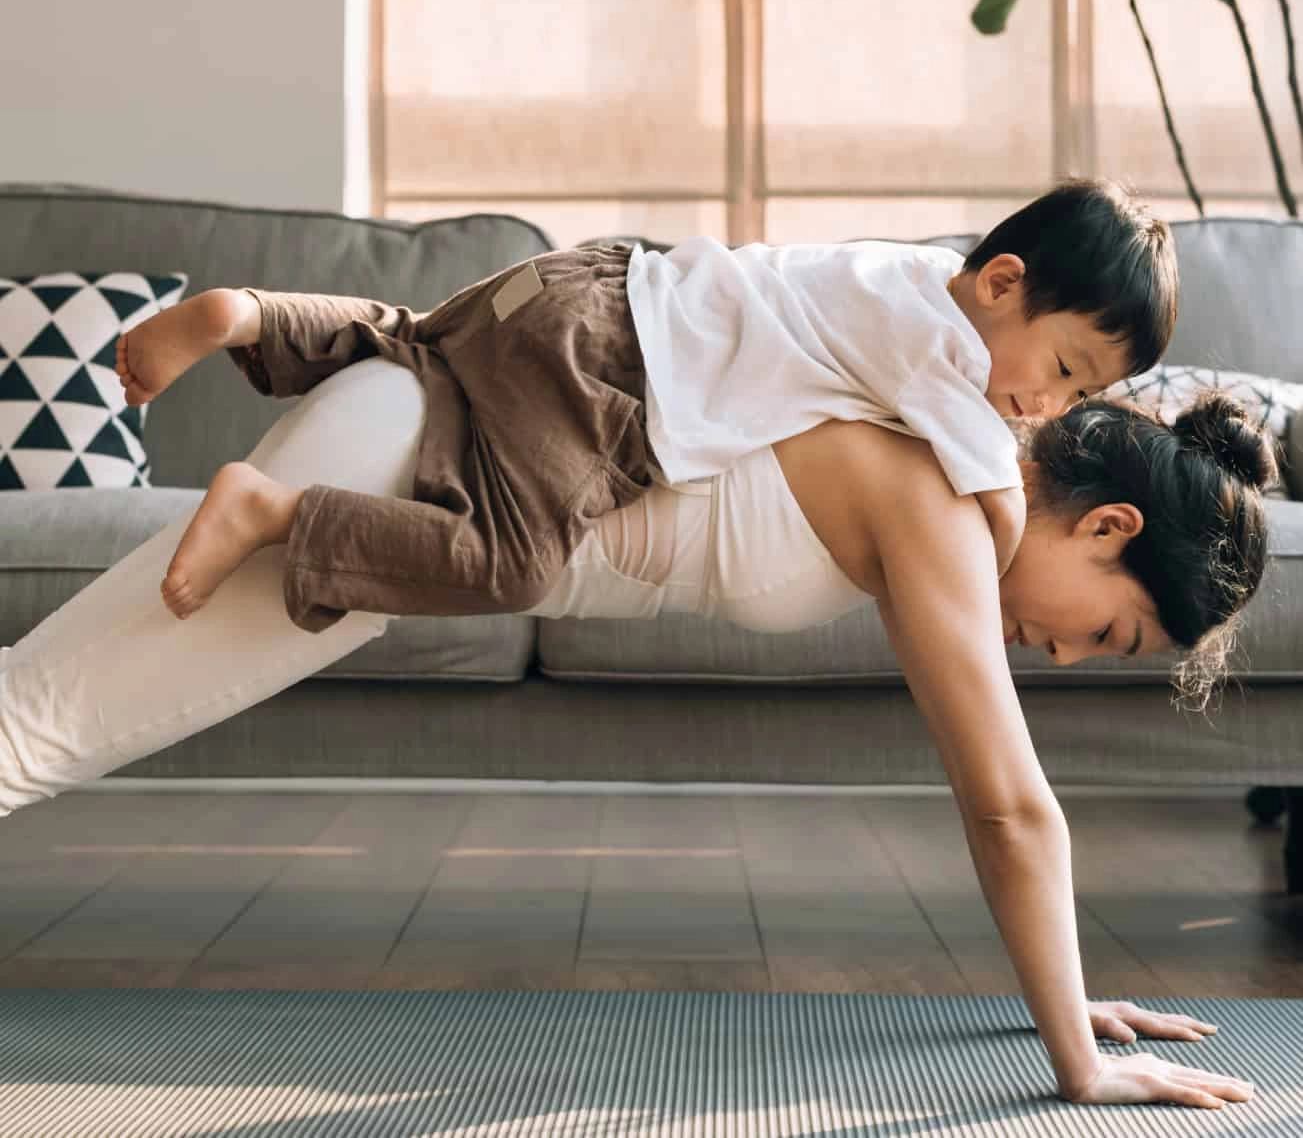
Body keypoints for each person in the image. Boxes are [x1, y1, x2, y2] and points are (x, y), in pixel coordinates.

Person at [0, 348, 1269, 1110]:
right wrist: (1080, 1063)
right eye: (1104, 634)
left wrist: (1067, 987)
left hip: (408, 471)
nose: (1058, 655)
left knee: (29, 717)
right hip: (398, 470)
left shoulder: (952, 453)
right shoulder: (945, 495)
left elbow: (1000, 797)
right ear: (1107, 528)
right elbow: (1006, 803)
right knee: (34, 732)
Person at [114, 179, 1177, 627]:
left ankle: (249, 315)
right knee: (508, 565)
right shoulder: (939, 349)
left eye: (1079, 393)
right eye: (1066, 368)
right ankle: (274, 517)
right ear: (1000, 286)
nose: (1046, 402)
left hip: (582, 286)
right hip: (605, 380)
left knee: (422, 348)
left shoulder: (906, 273)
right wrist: (997, 547)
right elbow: (992, 503)